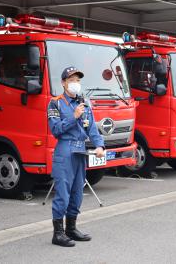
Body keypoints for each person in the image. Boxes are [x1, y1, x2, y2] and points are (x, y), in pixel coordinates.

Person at [47, 66, 105, 247]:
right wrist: (73, 116)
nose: (75, 84)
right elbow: (55, 129)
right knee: (63, 193)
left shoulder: (84, 103)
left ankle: (71, 228)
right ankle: (58, 233)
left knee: (77, 193)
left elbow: (92, 127)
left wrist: (99, 145)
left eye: (78, 80)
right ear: (63, 83)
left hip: (81, 151)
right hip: (65, 150)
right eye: (72, 80)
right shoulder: (55, 103)